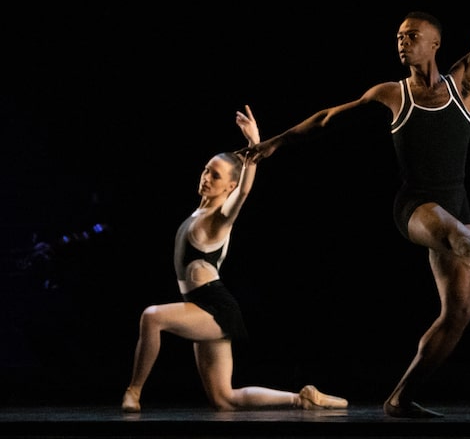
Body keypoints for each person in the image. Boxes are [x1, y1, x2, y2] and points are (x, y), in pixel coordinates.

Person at [241, 0, 470, 418]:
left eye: (412, 35)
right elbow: (329, 116)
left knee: (459, 313)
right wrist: (276, 141)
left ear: (435, 43)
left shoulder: (464, 83)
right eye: (399, 35)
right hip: (414, 207)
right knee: (457, 236)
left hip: (456, 201)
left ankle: (398, 398)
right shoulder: (391, 95)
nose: (403, 40)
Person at [121, 104, 348, 413]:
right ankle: (301, 398)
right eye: (205, 170)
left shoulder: (219, 218)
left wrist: (255, 144)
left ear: (228, 185)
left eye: (215, 176)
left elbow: (243, 193)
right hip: (201, 307)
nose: (206, 178)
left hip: (213, 308)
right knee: (223, 399)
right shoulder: (198, 212)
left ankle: (133, 392)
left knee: (152, 317)